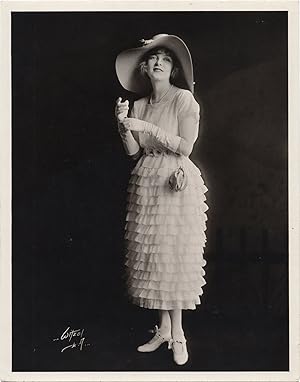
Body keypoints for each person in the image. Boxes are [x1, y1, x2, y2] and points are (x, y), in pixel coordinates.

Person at [115, 34, 208, 366]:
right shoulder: (139, 104)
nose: (157, 63)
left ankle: (179, 333)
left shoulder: (183, 99)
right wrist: (124, 126)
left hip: (175, 179)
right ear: (143, 67)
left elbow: (185, 147)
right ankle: (164, 329)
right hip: (146, 178)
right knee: (153, 254)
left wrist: (144, 126)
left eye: (165, 59)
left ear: (173, 70)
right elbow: (134, 151)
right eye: (152, 59)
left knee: (172, 254)